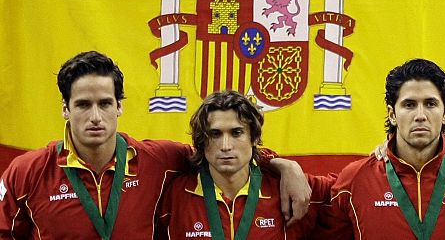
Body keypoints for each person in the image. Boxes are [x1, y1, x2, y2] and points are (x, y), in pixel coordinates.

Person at [0, 51, 310, 239]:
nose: (95, 116)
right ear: (65, 109)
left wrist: (285, 165)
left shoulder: (156, 160)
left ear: (119, 106)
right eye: (83, 104)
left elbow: (220, 152)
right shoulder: (27, 172)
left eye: (105, 103)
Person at [315, 58, 445, 239]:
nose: (420, 115)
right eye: (409, 105)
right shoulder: (355, 179)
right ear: (392, 114)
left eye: (430, 104)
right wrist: (286, 167)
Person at [156, 90, 330, 239]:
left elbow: (348, 189)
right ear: (201, 141)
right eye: (215, 134)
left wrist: (291, 166)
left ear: (254, 137)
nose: (225, 146)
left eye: (236, 133)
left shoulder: (289, 189)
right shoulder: (173, 197)